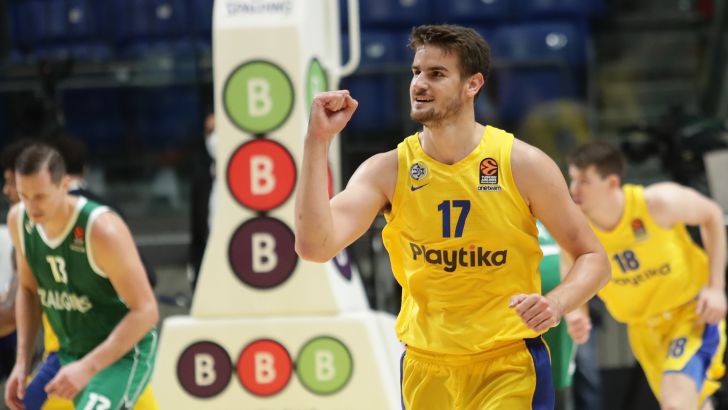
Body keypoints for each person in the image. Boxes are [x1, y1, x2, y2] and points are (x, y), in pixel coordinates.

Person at [295, 24, 611, 409]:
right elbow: (315, 246)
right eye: (416, 72)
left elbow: (593, 257)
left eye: (436, 74)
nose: (419, 84)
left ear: (472, 84)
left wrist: (557, 304)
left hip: (508, 365)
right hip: (426, 367)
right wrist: (317, 142)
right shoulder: (388, 170)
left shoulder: (522, 164)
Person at [565, 141, 727, 410]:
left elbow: (711, 214)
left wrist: (716, 287)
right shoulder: (578, 230)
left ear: (612, 182)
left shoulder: (656, 203)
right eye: (572, 179)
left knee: (676, 403)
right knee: (694, 404)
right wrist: (576, 314)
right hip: (642, 330)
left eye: (584, 181)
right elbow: (572, 273)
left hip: (691, 315)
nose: (574, 189)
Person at [4, 144, 158, 409]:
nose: (31, 207)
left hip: (122, 354)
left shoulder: (101, 230)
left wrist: (88, 366)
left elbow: (147, 311)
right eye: (23, 196)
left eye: (40, 196)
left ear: (65, 184)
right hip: (70, 351)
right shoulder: (19, 220)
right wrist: (22, 362)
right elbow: (28, 290)